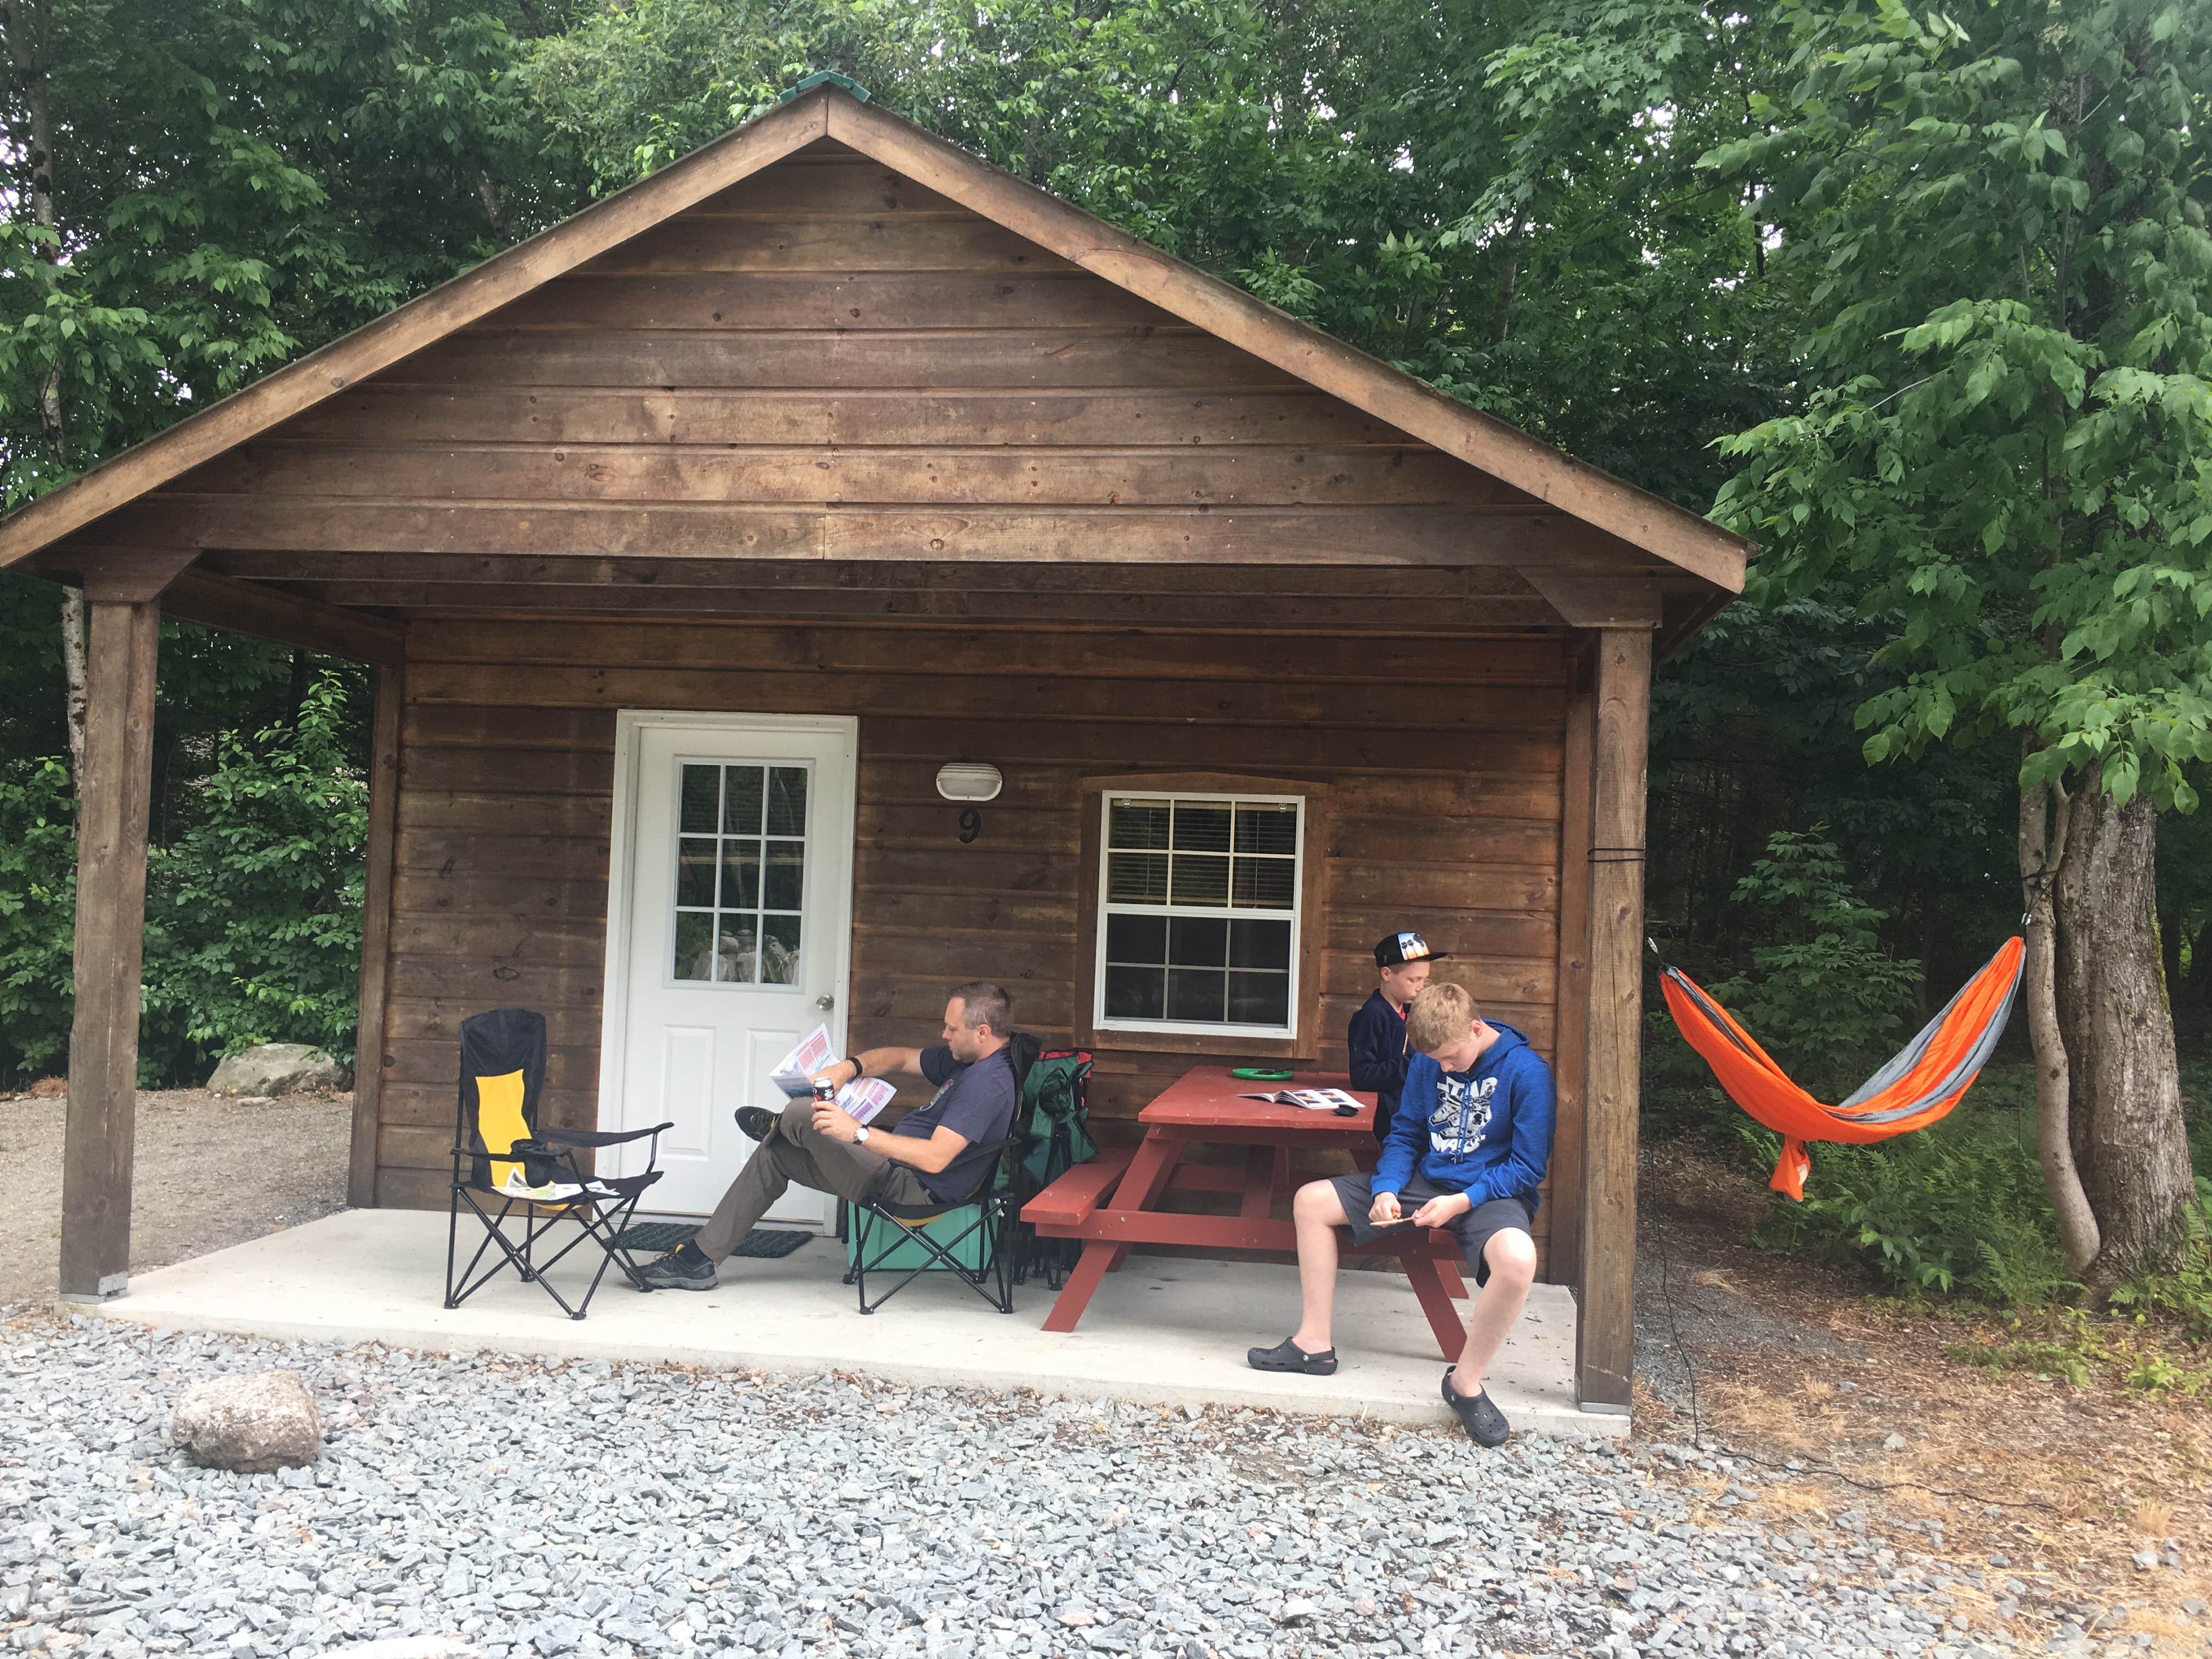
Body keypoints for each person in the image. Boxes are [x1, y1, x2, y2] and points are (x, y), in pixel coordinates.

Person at [1247, 980, 1555, 1447]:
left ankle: (1464, 1384)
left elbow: (1528, 1167)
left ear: (1476, 1028)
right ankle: (1313, 1345)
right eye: (1436, 1061)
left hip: (1489, 1192)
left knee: (1517, 1260)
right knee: (1310, 1200)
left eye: (1451, 1058)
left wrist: (1463, 1201)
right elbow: (1406, 1134)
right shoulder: (1427, 1062)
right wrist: (1387, 1188)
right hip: (1424, 1184)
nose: (1444, 1068)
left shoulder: (1527, 1072)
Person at [635, 981, 1020, 1291]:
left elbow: (936, 1159)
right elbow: (901, 1057)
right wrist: (846, 1068)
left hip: (913, 1189)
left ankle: (784, 1126)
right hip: (889, 1168)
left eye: (953, 1028)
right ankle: (699, 1261)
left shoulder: (988, 1084)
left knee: (805, 1111)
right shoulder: (966, 1059)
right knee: (776, 1156)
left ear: (983, 1032)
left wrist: (859, 1133)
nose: (945, 1034)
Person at [1346, 931, 1446, 1146]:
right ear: (1387, 974)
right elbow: (1362, 1076)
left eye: (1424, 979)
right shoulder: (1371, 1016)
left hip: (1413, 1114)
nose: (1421, 986)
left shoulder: (1412, 1011)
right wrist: (1416, 1062)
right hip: (1388, 1122)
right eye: (1413, 979)